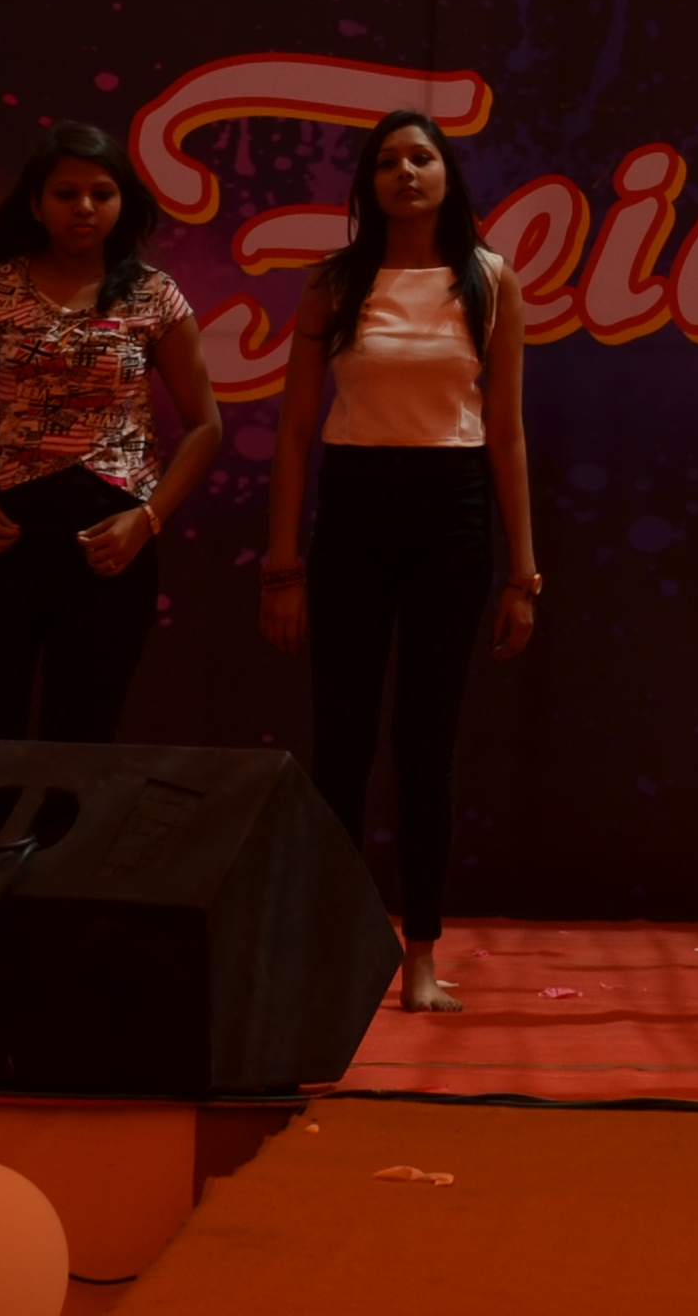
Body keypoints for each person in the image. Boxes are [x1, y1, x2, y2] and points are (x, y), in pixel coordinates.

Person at [264, 111, 540, 1012]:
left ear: (448, 174)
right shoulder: (336, 282)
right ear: (368, 184)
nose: (406, 172)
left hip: (451, 515)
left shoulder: (489, 279)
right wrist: (282, 565)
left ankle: (421, 955)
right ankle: (334, 950)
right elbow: (295, 433)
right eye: (388, 161)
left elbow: (507, 434)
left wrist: (523, 575)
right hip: (352, 513)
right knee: (340, 743)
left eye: (422, 157)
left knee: (426, 745)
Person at [0, 123, 213, 738]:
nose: (84, 207)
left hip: (109, 549)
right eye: (66, 193)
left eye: (102, 193)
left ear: (122, 203)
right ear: (36, 204)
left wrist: (147, 520)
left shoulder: (155, 296)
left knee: (82, 743)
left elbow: (206, 425)